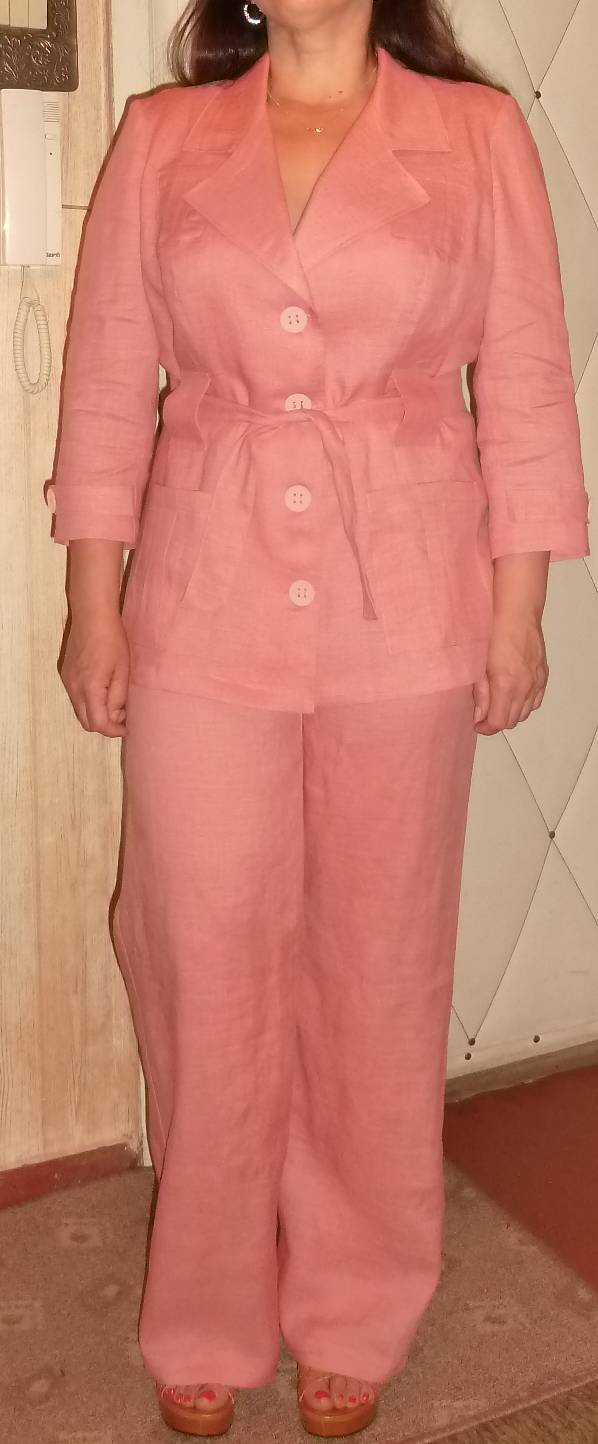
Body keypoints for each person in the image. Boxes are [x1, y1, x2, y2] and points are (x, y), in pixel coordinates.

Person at [47, 0, 590, 1437]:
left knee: (378, 957)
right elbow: (106, 383)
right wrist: (96, 605)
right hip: (202, 600)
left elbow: (526, 384)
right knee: (202, 950)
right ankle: (206, 1304)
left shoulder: (475, 133)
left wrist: (517, 609)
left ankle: (358, 1296)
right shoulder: (163, 138)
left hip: (404, 595)